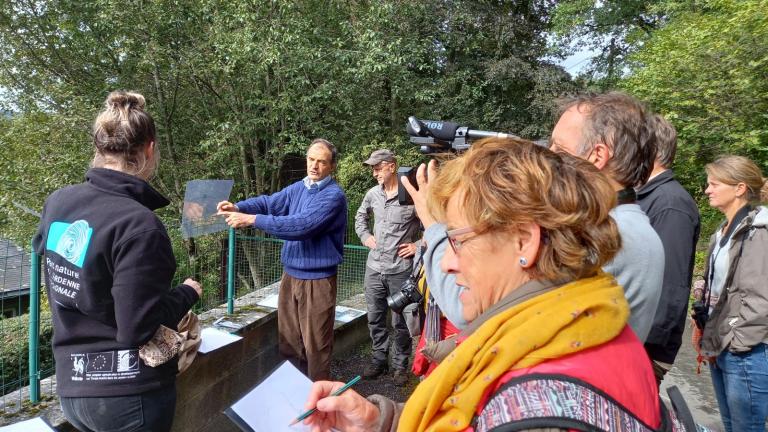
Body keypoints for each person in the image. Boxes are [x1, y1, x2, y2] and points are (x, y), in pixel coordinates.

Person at [301, 138, 661, 432]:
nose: (445, 262)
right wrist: (382, 420)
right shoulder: (581, 325)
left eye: (458, 240)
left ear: (524, 242)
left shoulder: (535, 407)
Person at [32, 91, 202, 432]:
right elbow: (136, 328)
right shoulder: (139, 224)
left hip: (72, 389)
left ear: (99, 148)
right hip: (126, 394)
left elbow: (51, 260)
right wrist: (186, 293)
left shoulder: (58, 203)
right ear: (150, 150)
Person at [217, 138, 347, 380]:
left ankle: (317, 408)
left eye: (321, 162)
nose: (314, 166)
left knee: (316, 349)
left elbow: (301, 226)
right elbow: (270, 203)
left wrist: (252, 220)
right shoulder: (300, 187)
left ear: (332, 167)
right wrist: (238, 207)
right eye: (310, 159)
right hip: (290, 277)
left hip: (317, 281)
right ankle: (293, 399)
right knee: (289, 344)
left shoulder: (333, 196)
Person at [549, 91, 665, 342]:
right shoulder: (624, 222)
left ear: (597, 156)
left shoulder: (613, 234)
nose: (549, 156)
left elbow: (487, 311)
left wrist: (440, 220)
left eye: (559, 148)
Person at [697, 155, 768, 432]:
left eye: (714, 184)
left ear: (739, 188)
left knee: (746, 428)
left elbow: (759, 299)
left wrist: (736, 343)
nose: (707, 190)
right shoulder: (723, 230)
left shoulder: (758, 232)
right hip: (721, 342)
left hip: (745, 350)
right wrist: (704, 328)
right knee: (731, 425)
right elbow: (714, 283)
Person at [637, 114, 701, 385]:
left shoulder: (670, 205)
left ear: (647, 152)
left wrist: (642, 348)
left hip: (645, 350)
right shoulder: (649, 196)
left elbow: (671, 287)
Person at [354, 149, 421, 385]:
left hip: (400, 270)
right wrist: (365, 236)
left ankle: (400, 366)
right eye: (373, 169)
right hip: (374, 268)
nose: (374, 173)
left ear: (392, 167)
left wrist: (417, 245)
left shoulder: (412, 197)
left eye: (377, 168)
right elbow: (360, 218)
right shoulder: (373, 194)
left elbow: (435, 225)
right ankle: (378, 360)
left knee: (400, 322)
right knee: (374, 317)